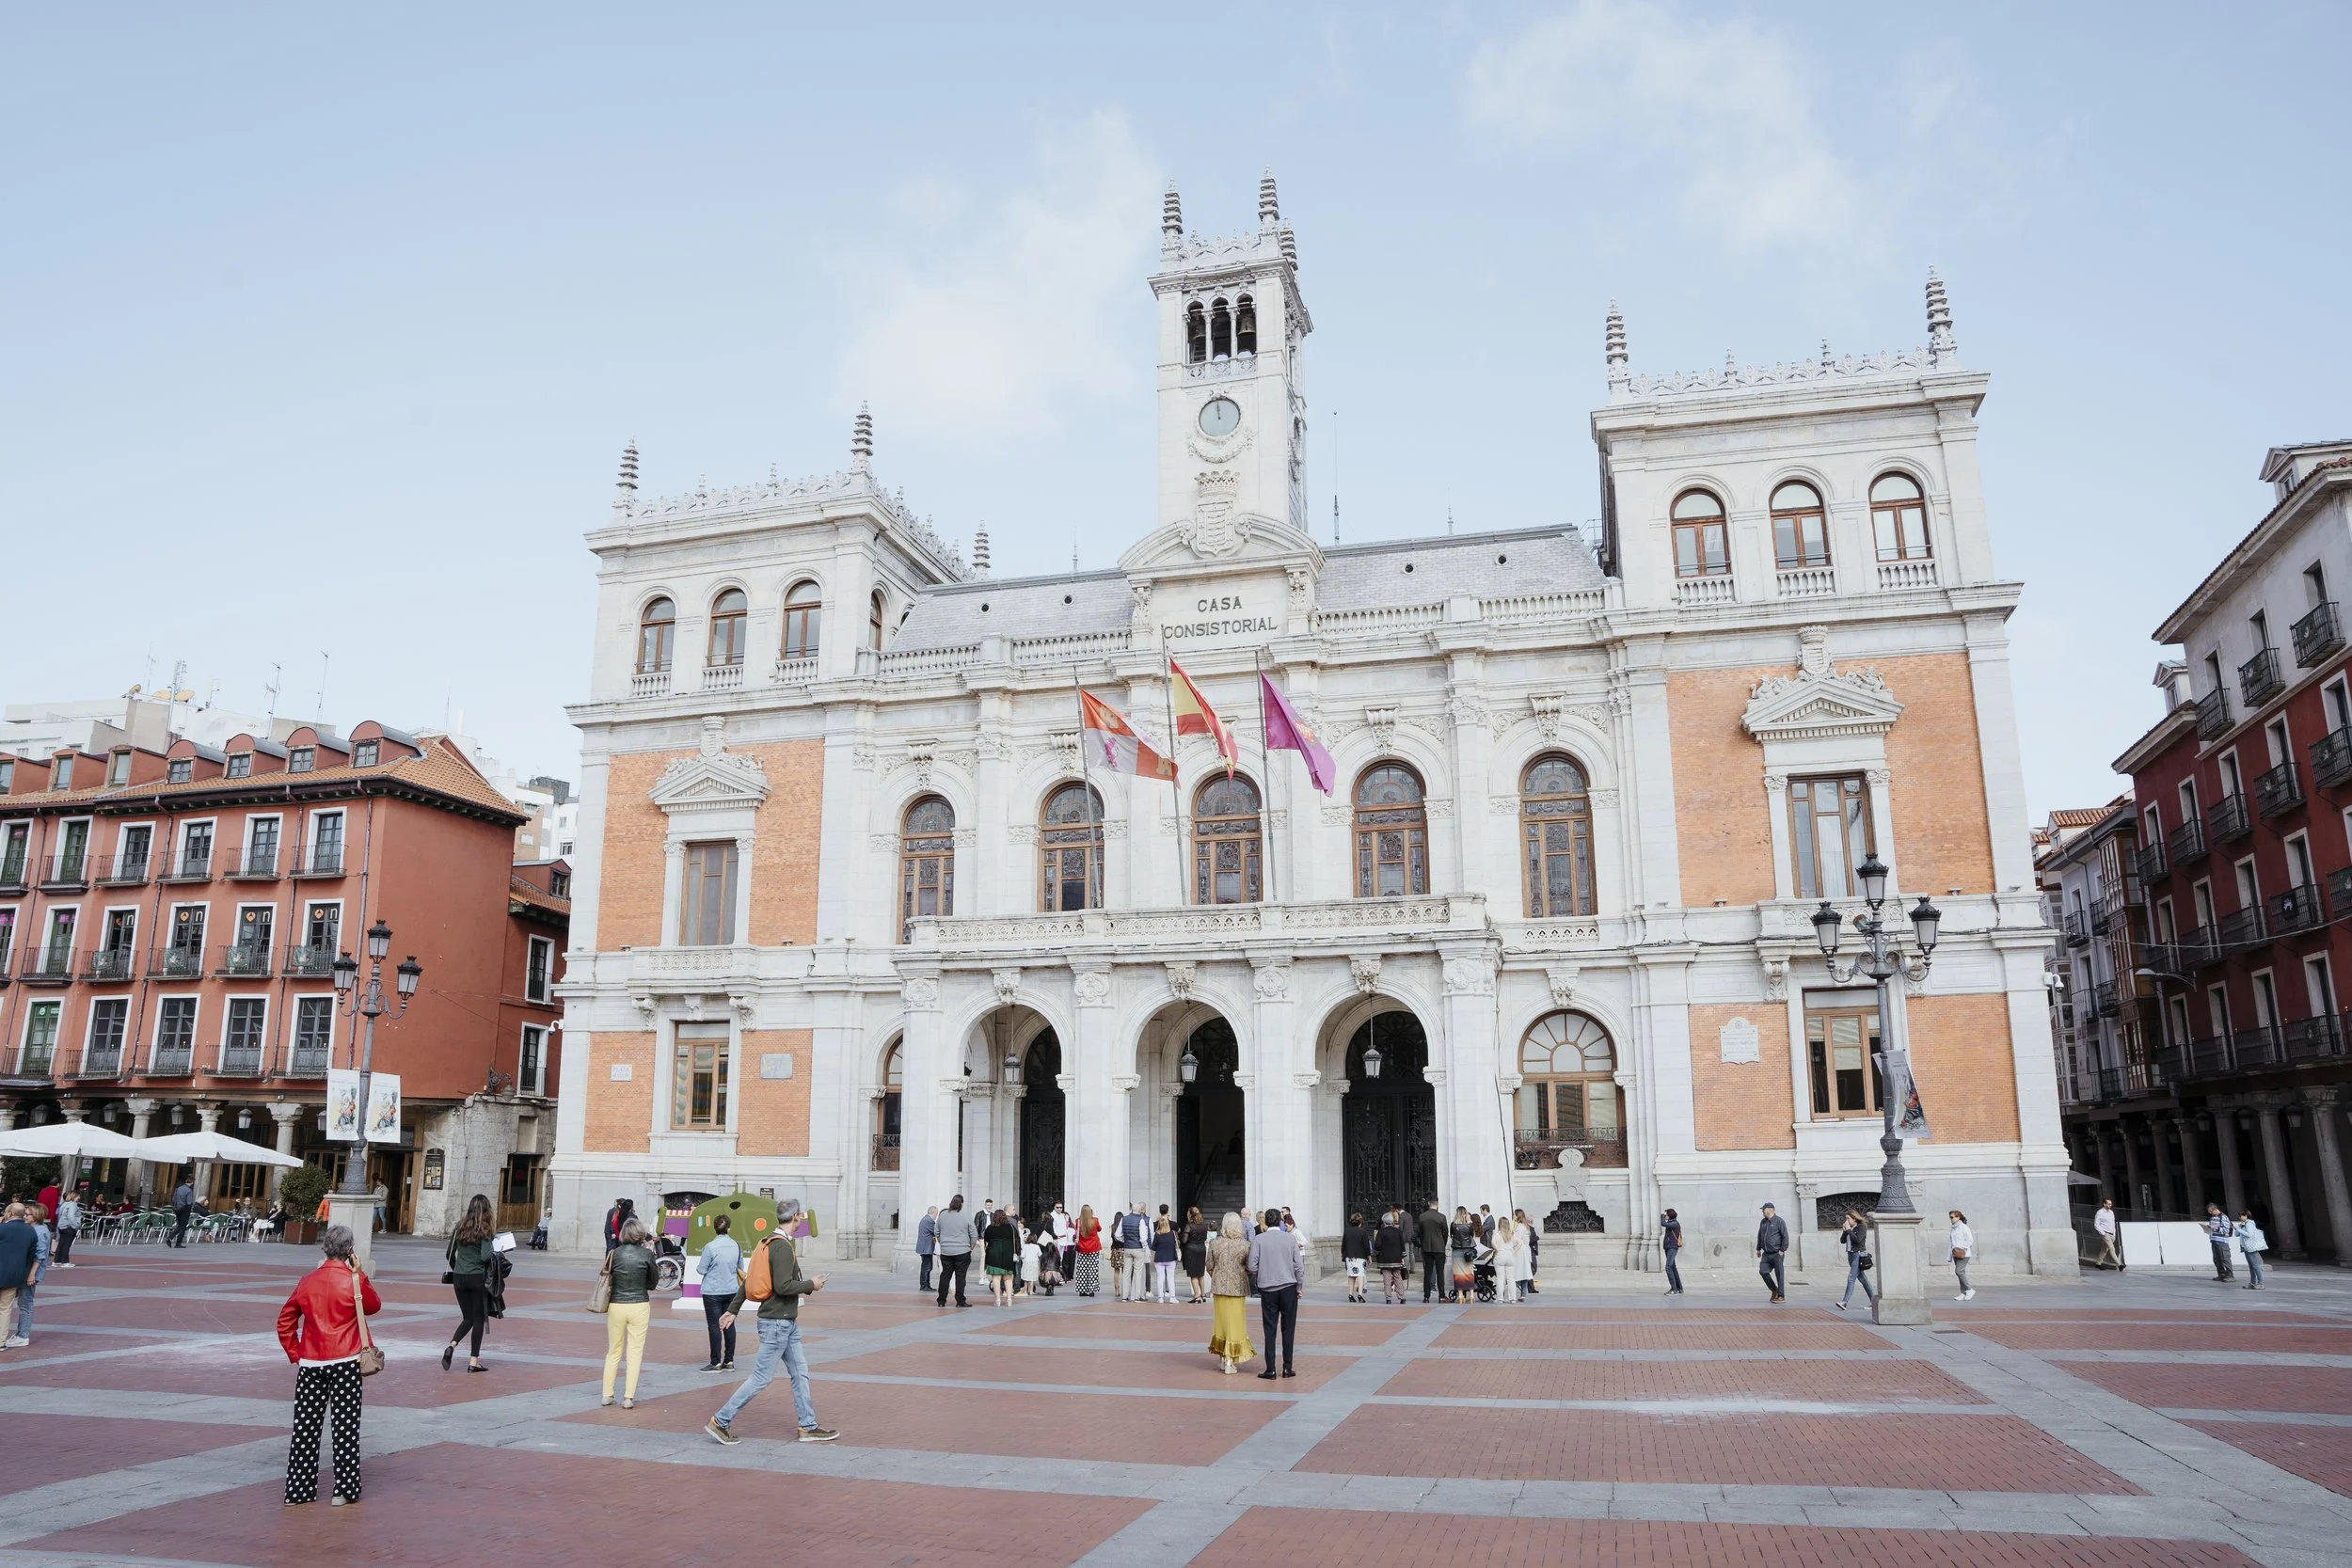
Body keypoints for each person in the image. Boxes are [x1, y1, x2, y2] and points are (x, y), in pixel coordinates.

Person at [707, 1198, 838, 1445]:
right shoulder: (781, 1247)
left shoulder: (767, 1242)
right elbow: (783, 1286)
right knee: (761, 1377)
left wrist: (733, 1309)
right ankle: (720, 1421)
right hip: (777, 1322)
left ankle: (808, 1426)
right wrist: (812, 1285)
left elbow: (749, 1280)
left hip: (787, 1322)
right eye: (801, 1215)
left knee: (800, 1372)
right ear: (797, 1216)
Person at [276, 1224, 380, 1506]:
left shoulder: (307, 1281)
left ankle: (299, 1490)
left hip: (311, 1361)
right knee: (345, 1426)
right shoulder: (352, 1281)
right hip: (345, 1359)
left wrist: (294, 1351)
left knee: (305, 1427)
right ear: (349, 1251)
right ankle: (344, 1490)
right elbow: (373, 1306)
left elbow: (285, 1320)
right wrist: (360, 1275)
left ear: (324, 1249)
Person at [600, 1216, 658, 1408]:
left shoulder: (613, 1253)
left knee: (613, 1351)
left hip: (616, 1304)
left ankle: (607, 1394)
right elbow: (653, 1283)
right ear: (640, 1233)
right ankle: (628, 1397)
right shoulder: (647, 1255)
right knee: (635, 1351)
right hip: (639, 1304)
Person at [440, 1194, 499, 1373]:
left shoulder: (460, 1226)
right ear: (487, 1209)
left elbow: (449, 1252)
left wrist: (457, 1267)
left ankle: (452, 1345)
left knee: (467, 1318)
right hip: (476, 1278)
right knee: (478, 1318)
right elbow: (485, 1257)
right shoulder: (485, 1229)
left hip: (458, 1277)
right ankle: (473, 1361)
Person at [1248, 1208, 1302, 1379]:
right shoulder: (1290, 1239)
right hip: (1288, 1287)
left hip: (1268, 1288)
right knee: (1288, 1328)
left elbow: (1251, 1266)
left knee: (1270, 1328)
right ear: (1279, 1221)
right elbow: (1299, 1266)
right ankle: (1287, 1368)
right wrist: (1299, 1286)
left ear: (1266, 1221)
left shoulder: (1259, 1239)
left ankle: (1270, 1369)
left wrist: (1262, 1272)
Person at [1204, 1212, 1256, 1373]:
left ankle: (1223, 1357)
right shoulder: (1245, 1245)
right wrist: (1241, 1276)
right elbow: (1250, 1268)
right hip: (1238, 1287)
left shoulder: (1214, 1243)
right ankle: (1229, 1360)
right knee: (1236, 1322)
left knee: (1221, 1322)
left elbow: (1209, 1265)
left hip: (1219, 1287)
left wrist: (1218, 1276)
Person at [697, 1213, 744, 1370]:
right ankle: (729, 1360)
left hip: (712, 1291)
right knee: (729, 1324)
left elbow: (701, 1269)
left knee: (714, 1326)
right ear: (729, 1228)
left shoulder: (710, 1247)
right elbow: (740, 1267)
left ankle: (715, 1361)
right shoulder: (736, 1245)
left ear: (715, 1228)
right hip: (731, 1290)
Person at [3, 1203, 43, 1348]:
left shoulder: (37, 1231)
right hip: (19, 1273)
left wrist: (31, 1274)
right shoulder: (31, 1230)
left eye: (29, 1214)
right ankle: (9, 1338)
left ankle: (22, 1334)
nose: (26, 1217)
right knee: (10, 1306)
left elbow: (39, 1256)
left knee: (25, 1303)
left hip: (25, 1274)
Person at [933, 1195, 977, 1308]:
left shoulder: (943, 1215)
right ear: (962, 1203)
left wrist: (942, 1242)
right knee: (960, 1276)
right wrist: (971, 1246)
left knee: (945, 1275)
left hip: (946, 1250)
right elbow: (973, 1232)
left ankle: (941, 1300)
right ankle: (960, 1301)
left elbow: (936, 1231)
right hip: (962, 1250)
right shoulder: (966, 1215)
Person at [1834, 1211, 1875, 1312]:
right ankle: (1874, 1302)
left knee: (1851, 1278)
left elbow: (1857, 1240)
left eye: (1848, 1218)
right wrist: (1845, 1231)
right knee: (1863, 1279)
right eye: (1846, 1218)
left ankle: (1844, 1302)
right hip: (1851, 1255)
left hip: (1858, 1254)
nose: (1846, 1220)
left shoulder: (1861, 1227)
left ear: (1854, 1219)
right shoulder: (1849, 1228)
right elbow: (1842, 1241)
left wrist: (1849, 1230)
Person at [1418, 1198, 1452, 1302]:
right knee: (1440, 1272)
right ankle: (1441, 1295)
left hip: (1427, 1247)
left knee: (1427, 1273)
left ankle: (1426, 1296)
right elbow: (1445, 1232)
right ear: (1437, 1204)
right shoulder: (1441, 1217)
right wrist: (1443, 1243)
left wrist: (1423, 1243)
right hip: (1439, 1248)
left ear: (1429, 1204)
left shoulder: (1422, 1217)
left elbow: (1420, 1233)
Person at [983, 1208, 1019, 1306]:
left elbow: (986, 1240)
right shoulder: (1011, 1227)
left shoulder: (990, 1228)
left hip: (994, 1256)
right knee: (1008, 1278)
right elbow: (1017, 1240)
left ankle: (998, 1300)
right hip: (1008, 1255)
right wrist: (1018, 1253)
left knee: (996, 1278)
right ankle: (1009, 1299)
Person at [1115, 1204, 1151, 1301]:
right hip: (1138, 1248)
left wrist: (1125, 1241)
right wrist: (1144, 1247)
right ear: (1139, 1210)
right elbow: (1143, 1238)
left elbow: (1117, 1235)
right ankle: (1136, 1296)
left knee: (1126, 1272)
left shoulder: (1124, 1219)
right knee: (1138, 1273)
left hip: (1127, 1248)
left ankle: (1124, 1296)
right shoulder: (1141, 1220)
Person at [1374, 1209, 1408, 1304]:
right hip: (1396, 1258)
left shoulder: (1381, 1232)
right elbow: (1402, 1245)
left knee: (1387, 1277)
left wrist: (1377, 1253)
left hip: (1385, 1259)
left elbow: (1377, 1245)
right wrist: (1402, 1255)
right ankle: (1402, 1297)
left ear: (1384, 1222)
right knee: (1398, 1276)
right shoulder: (1397, 1231)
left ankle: (1388, 1298)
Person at [1756, 1202, 1788, 1304]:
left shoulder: (1779, 1221)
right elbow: (1760, 1235)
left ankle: (1781, 1296)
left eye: (1763, 1209)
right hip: (1766, 1253)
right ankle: (1774, 1289)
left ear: (1770, 1209)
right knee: (1763, 1271)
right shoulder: (1763, 1222)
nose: (1762, 1211)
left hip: (1777, 1253)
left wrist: (1782, 1250)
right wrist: (1758, 1249)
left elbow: (1785, 1237)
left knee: (1779, 1274)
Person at [1494, 1214, 1530, 1304]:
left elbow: (1492, 1242)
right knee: (1511, 1278)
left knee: (1500, 1278)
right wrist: (1514, 1251)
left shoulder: (1497, 1233)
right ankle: (1512, 1298)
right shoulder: (1512, 1233)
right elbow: (1520, 1243)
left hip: (1500, 1256)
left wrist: (1496, 1249)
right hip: (1510, 1256)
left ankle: (1500, 1298)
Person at [1073, 1204, 1104, 1297]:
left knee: (1082, 1269)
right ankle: (1091, 1290)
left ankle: (1082, 1290)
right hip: (1093, 1248)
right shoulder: (1095, 1221)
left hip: (1082, 1248)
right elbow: (1099, 1229)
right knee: (1093, 1269)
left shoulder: (1078, 1222)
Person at [1181, 1206, 1210, 1303]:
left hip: (1191, 1250)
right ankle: (1203, 1294)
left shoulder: (1189, 1226)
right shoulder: (1204, 1225)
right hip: (1202, 1248)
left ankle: (1197, 1296)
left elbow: (1184, 1240)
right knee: (1201, 1273)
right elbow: (1205, 1238)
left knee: (1193, 1274)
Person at [1450, 1207, 1479, 1302]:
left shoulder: (1453, 1225)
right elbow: (1472, 1235)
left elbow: (1451, 1235)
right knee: (1469, 1272)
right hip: (1468, 1251)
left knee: (1458, 1273)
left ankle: (1461, 1295)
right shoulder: (1469, 1225)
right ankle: (1471, 1295)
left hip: (1456, 1250)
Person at [1341, 1212, 1372, 1303]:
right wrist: (1368, 1256)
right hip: (1360, 1256)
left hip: (1349, 1256)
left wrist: (1344, 1254)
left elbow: (1344, 1245)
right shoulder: (1363, 1231)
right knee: (1360, 1275)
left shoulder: (1347, 1231)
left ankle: (1350, 1294)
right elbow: (1366, 1245)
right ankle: (1360, 1294)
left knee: (1351, 1276)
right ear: (1360, 1221)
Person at [2234, 1211, 2268, 1289]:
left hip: (2251, 1247)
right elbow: (2236, 1234)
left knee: (2256, 1266)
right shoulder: (2244, 1224)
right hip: (2246, 1247)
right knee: (2251, 1266)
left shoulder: (2249, 1224)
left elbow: (2249, 1234)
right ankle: (2253, 1283)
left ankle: (2260, 1283)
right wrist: (2240, 1227)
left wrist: (2239, 1229)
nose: (2239, 1217)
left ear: (2246, 1216)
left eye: (2241, 1216)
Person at [1948, 1210, 1977, 1302]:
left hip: (1964, 1254)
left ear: (1958, 1217)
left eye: (1952, 1217)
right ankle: (1963, 1293)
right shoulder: (1953, 1229)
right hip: (1955, 1254)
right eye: (1950, 1217)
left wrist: (1962, 1248)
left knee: (1959, 1271)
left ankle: (1969, 1289)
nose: (1951, 1219)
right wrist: (1949, 1256)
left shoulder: (1964, 1227)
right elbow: (1951, 1243)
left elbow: (1970, 1240)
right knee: (1962, 1273)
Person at [1151, 1213, 1180, 1302]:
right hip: (1170, 1258)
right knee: (1170, 1278)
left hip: (1159, 1258)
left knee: (1160, 1278)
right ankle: (1172, 1297)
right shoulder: (1172, 1234)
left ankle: (1160, 1298)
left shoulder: (1157, 1234)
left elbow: (1153, 1247)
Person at [2204, 1203, 2234, 1282]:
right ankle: (2221, 1274)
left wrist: (2215, 1228)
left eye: (2211, 1211)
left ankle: (2230, 1275)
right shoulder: (2213, 1218)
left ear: (2215, 1209)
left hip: (2222, 1241)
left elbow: (2226, 1230)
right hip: (2214, 1240)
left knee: (2225, 1258)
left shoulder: (2223, 1217)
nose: (2210, 1213)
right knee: (2217, 1259)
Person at [1514, 1207, 1540, 1295]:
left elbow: (1516, 1240)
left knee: (1521, 1272)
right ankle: (1524, 1292)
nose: (1513, 1216)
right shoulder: (1523, 1226)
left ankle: (1522, 1291)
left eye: (1514, 1215)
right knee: (1524, 1272)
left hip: (1520, 1251)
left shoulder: (1520, 1227)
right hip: (1523, 1251)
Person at [914, 1206, 939, 1294]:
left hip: (926, 1247)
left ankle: (926, 1285)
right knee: (926, 1267)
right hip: (926, 1248)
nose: (936, 1216)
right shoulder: (928, 1221)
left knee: (927, 1267)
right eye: (936, 1213)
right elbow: (936, 1231)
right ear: (932, 1212)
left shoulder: (926, 1219)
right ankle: (924, 1285)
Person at [53, 1189, 79, 1268]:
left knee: (61, 1244)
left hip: (61, 1226)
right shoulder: (73, 1205)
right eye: (78, 1196)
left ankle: (57, 1261)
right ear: (74, 1196)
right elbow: (71, 1216)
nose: (79, 1198)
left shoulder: (63, 1204)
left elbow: (58, 1213)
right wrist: (75, 1225)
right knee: (67, 1244)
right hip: (69, 1226)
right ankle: (65, 1261)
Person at [1661, 1208, 1685, 1295]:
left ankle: (1674, 1289)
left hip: (1672, 1248)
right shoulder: (1671, 1223)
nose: (1665, 1216)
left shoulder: (1674, 1223)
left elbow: (1663, 1224)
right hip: (1669, 1247)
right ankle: (1679, 1288)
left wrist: (1662, 1216)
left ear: (1670, 1215)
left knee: (1668, 1267)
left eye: (1666, 1214)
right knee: (1673, 1268)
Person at [2093, 1197, 2122, 1270]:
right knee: (2112, 1248)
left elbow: (2113, 1223)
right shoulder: (2100, 1212)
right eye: (2108, 1204)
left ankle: (2098, 1263)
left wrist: (2114, 1233)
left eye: (2111, 1204)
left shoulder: (2111, 1212)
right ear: (2104, 1204)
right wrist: (2103, 1233)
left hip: (2112, 1234)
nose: (2110, 1205)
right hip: (2105, 1234)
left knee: (2104, 1249)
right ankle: (2119, 1264)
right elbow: (2096, 1224)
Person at [1052, 1202, 1076, 1279]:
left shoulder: (1062, 1216)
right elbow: (1052, 1228)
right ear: (1054, 1207)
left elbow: (1066, 1228)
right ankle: (1055, 1276)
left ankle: (1060, 1276)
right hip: (1057, 1239)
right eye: (1057, 1207)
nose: (1059, 1209)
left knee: (1061, 1259)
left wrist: (1066, 1219)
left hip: (1064, 1240)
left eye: (1061, 1207)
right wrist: (1054, 1237)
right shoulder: (1052, 1216)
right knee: (1056, 1258)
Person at [1019, 1222, 1043, 1299]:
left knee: (1026, 1278)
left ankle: (1025, 1290)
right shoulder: (1037, 1247)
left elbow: (1022, 1255)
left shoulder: (1025, 1246)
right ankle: (1031, 1291)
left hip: (1026, 1263)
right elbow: (1040, 1255)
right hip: (1034, 1263)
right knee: (1032, 1278)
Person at [170, 1177, 196, 1248]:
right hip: (185, 1209)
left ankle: (171, 1237)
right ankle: (177, 1243)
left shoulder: (178, 1189)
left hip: (177, 1209)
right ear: (192, 1183)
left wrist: (176, 1207)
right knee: (183, 1226)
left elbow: (174, 1199)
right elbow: (189, 1202)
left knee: (179, 1225)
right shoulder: (189, 1191)